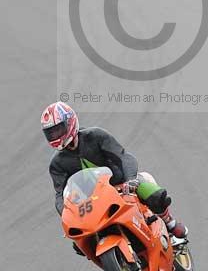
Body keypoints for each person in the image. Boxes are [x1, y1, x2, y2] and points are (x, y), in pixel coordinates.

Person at [42, 101, 188, 246]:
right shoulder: (57, 164)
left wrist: (131, 180)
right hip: (92, 202)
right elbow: (60, 194)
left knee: (154, 194)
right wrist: (66, 215)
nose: (55, 135)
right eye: (51, 133)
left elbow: (124, 156)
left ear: (70, 122)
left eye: (58, 129)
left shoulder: (95, 136)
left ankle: (170, 224)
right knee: (79, 242)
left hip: (121, 185)